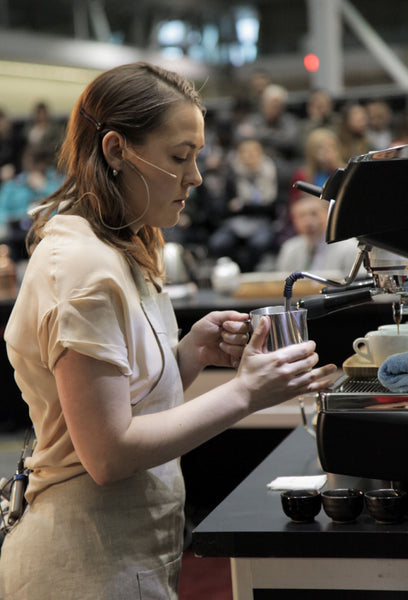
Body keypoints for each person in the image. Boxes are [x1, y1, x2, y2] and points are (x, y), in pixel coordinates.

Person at [0, 62, 336, 600]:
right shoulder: (84, 268)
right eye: (180, 157)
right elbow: (108, 452)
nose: (196, 176)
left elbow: (121, 402)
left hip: (120, 552)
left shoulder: (125, 246)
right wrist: (247, 393)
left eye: (197, 157)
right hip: (82, 566)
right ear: (115, 151)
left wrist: (188, 354)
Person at [208, 137, 279, 271]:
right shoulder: (231, 175)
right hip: (235, 222)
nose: (248, 156)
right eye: (244, 152)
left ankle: (249, 273)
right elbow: (227, 207)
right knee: (218, 243)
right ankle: (236, 270)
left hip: (263, 222)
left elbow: (272, 208)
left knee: (258, 244)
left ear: (260, 154)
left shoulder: (271, 173)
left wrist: (244, 206)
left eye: (252, 152)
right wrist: (252, 207)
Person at [275, 194, 360, 275]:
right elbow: (282, 285)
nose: (307, 222)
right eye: (301, 216)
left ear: (328, 214)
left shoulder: (350, 248)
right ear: (294, 220)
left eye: (314, 214)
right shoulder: (289, 248)